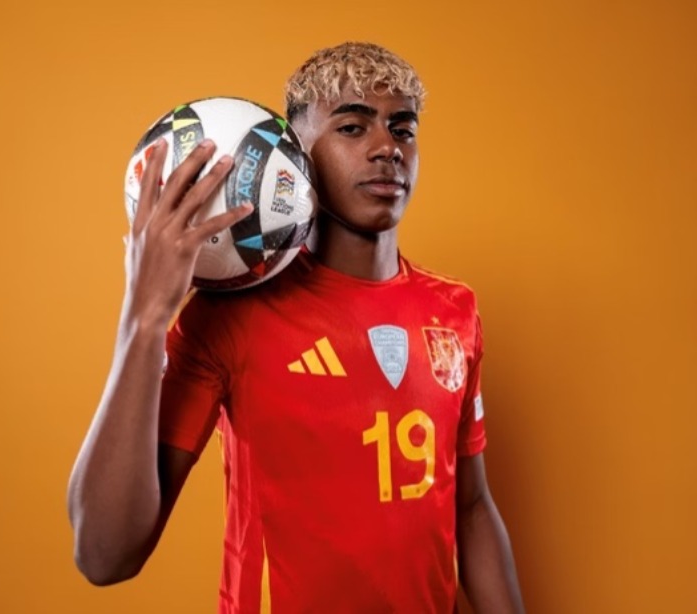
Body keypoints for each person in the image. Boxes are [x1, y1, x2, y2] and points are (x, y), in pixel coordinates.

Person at [67, 42, 525, 613]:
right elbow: (105, 555)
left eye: (403, 129)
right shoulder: (231, 317)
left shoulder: (454, 310)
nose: (387, 148)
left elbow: (473, 508)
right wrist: (144, 318)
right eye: (353, 127)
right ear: (296, 155)